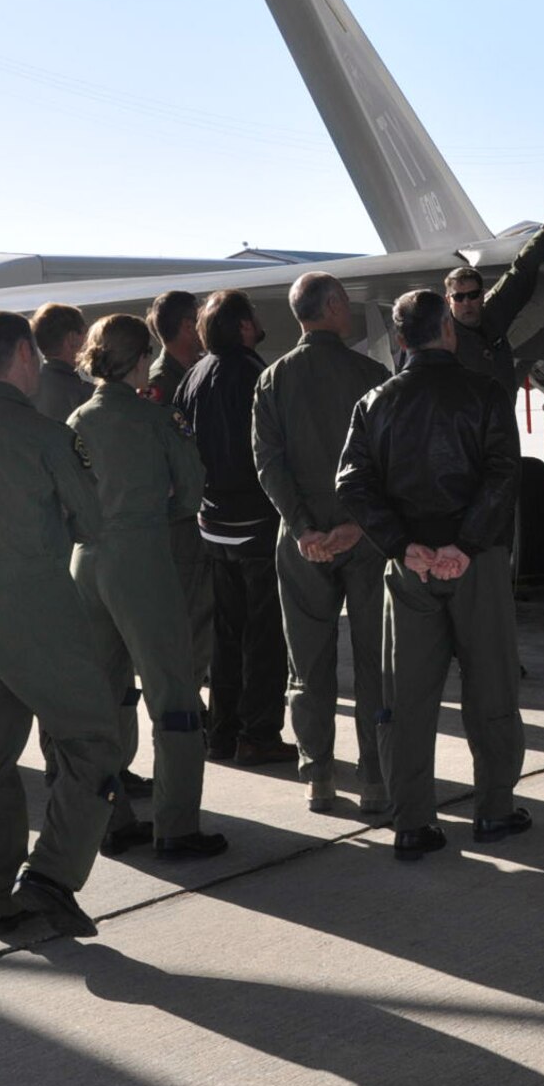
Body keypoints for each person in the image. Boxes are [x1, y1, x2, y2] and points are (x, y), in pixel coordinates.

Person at [0, 310, 128, 940]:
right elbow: (91, 522)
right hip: (36, 609)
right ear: (20, 357)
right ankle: (52, 875)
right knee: (95, 741)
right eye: (33, 357)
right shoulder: (44, 435)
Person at [336, 288, 526, 861]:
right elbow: (502, 474)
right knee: (490, 686)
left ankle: (413, 822)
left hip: (410, 569)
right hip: (478, 565)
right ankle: (493, 810)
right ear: (447, 328)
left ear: (399, 338)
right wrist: (465, 546)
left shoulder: (374, 402)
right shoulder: (487, 394)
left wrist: (403, 546)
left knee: (408, 698)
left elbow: (351, 483)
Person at [68, 314, 226, 860]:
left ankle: (110, 818)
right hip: (141, 556)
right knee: (173, 694)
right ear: (139, 360)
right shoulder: (155, 418)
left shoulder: (76, 419)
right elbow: (190, 489)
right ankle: (177, 826)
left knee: (105, 695)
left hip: (85, 561)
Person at [253, 271, 390, 815]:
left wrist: (304, 527)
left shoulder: (273, 379)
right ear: (331, 306)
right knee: (375, 663)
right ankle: (377, 778)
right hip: (365, 538)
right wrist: (357, 525)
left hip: (303, 543)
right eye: (346, 302)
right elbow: (386, 463)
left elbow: (268, 462)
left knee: (308, 665)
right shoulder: (372, 375)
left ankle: (319, 777)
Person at [173, 290, 294, 766]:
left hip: (212, 524)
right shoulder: (253, 375)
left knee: (227, 633)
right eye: (254, 317)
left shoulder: (194, 375)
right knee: (264, 636)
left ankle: (222, 732)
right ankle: (258, 733)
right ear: (243, 326)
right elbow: (269, 449)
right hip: (254, 524)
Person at [144, 289, 212, 690]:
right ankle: (185, 705)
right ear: (188, 326)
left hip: (196, 516)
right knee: (187, 616)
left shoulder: (191, 373)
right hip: (179, 524)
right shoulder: (161, 385)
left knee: (204, 615)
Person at [443, 195, 544, 395]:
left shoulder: (492, 314)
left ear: (483, 295)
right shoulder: (441, 339)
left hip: (501, 418)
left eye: (473, 295)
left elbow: (520, 272)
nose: (466, 302)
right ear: (448, 300)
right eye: (459, 297)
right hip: (464, 424)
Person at [31, 302, 93, 422]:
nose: (89, 342)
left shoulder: (26, 388)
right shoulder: (85, 394)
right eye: (85, 332)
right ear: (72, 338)